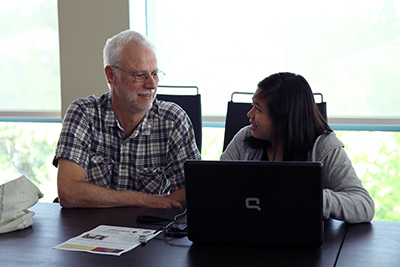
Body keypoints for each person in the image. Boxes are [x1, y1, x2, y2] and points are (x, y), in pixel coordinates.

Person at [53, 30, 201, 209]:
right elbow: (68, 193)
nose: (152, 85)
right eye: (139, 75)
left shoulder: (173, 120)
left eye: (154, 73)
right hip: (88, 231)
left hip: (151, 228)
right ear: (111, 75)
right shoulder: (83, 113)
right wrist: (142, 199)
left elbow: (192, 189)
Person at [221, 72, 375, 223]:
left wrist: (312, 197)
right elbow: (216, 188)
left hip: (302, 242)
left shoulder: (323, 146)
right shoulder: (245, 138)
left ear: (283, 119)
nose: (250, 114)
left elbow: (363, 205)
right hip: (246, 233)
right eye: (252, 106)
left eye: (258, 109)